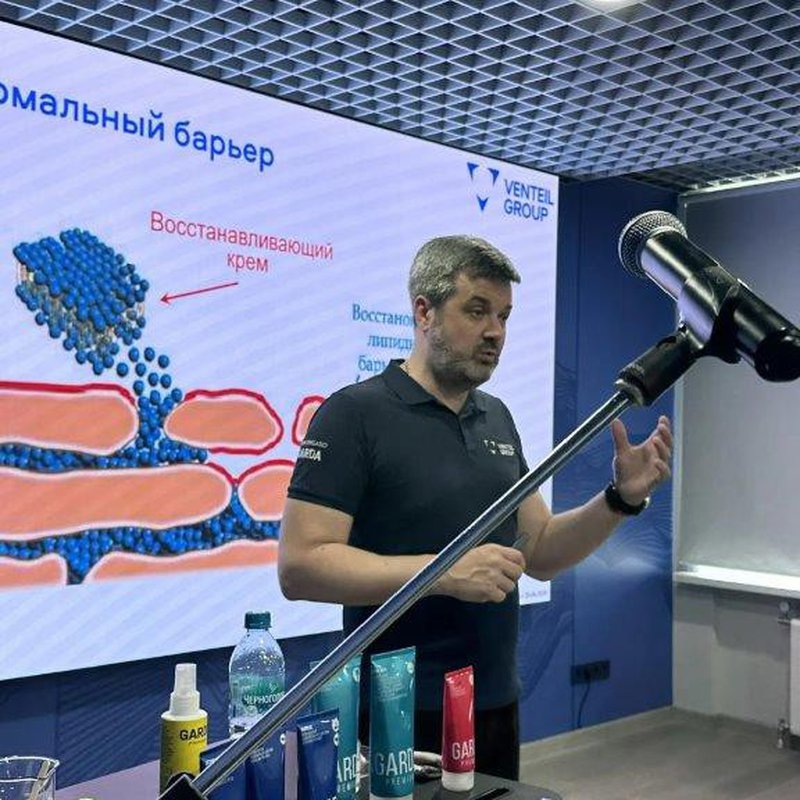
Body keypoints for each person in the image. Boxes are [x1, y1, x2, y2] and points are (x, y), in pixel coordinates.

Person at [278, 235, 672, 780]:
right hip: (396, 710)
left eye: (504, 316)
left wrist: (619, 500)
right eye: (477, 310)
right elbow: (300, 566)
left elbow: (540, 550)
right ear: (424, 312)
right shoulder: (354, 415)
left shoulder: (497, 418)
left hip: (492, 702)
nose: (495, 332)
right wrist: (442, 574)